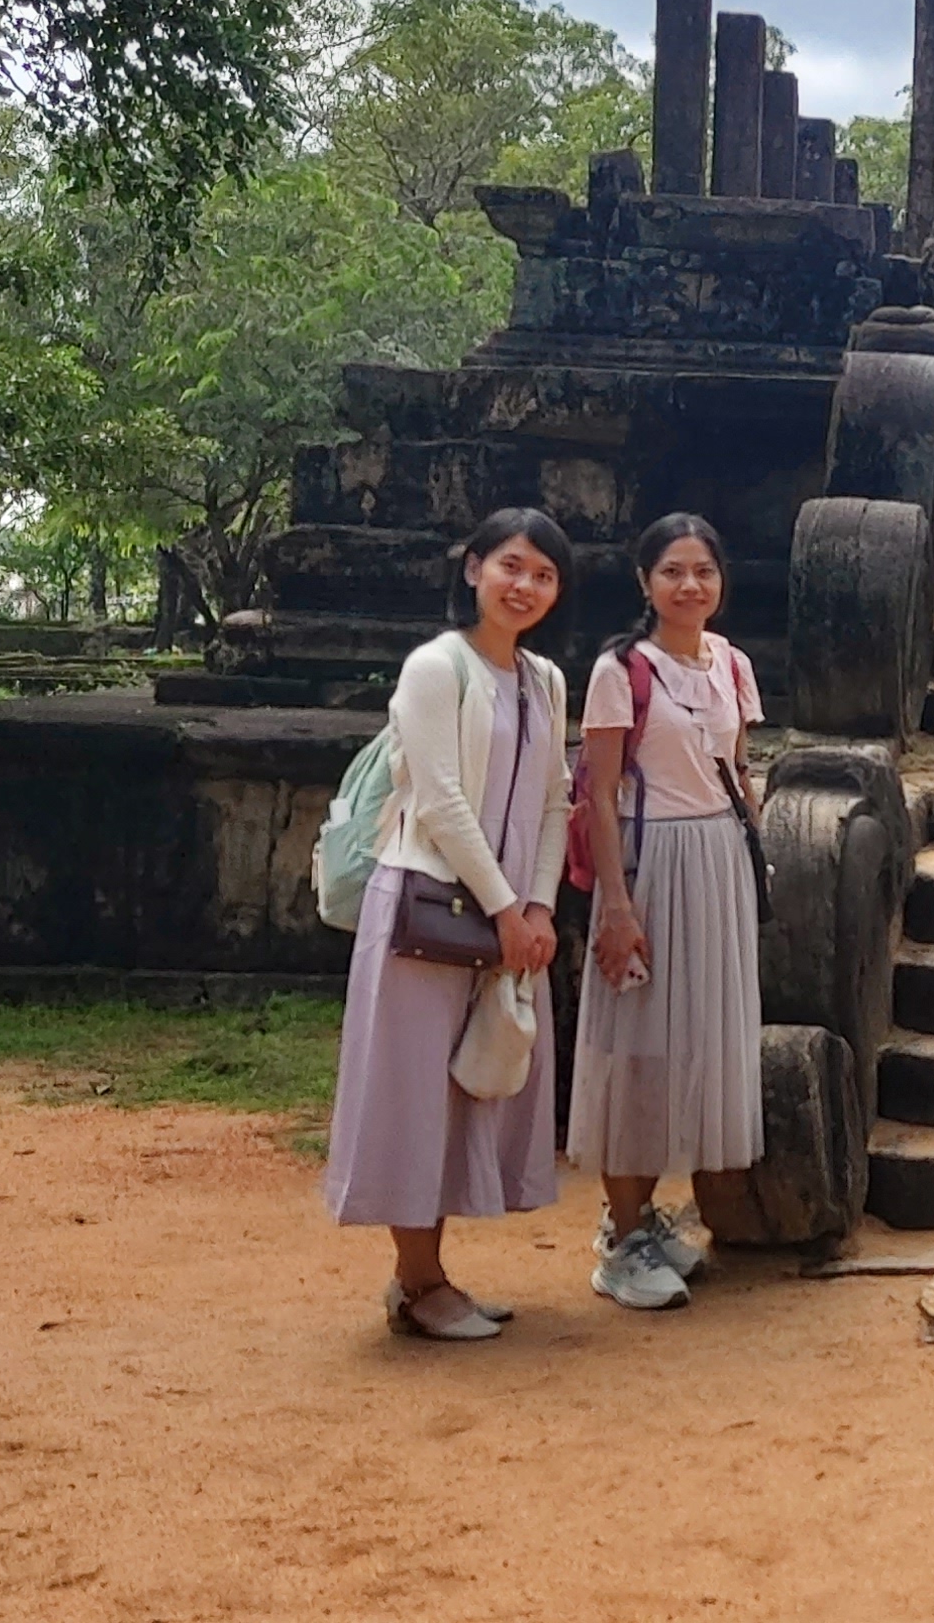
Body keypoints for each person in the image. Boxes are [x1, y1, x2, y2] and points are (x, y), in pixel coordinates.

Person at [322, 507, 573, 1342]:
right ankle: (419, 1280)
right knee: (414, 1090)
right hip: (427, 908)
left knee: (469, 1086)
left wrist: (538, 907)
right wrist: (506, 907)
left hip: (507, 919)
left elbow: (554, 801)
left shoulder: (544, 681)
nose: (524, 586)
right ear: (474, 569)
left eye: (543, 575)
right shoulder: (437, 666)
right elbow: (439, 799)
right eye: (511, 566)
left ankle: (428, 1277)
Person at [571, 513, 765, 1312]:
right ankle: (623, 1239)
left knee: (697, 1044)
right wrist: (617, 907)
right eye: (673, 571)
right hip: (650, 865)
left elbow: (740, 770)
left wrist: (755, 855)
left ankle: (644, 1218)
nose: (690, 586)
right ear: (644, 582)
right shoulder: (622, 671)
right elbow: (599, 796)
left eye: (704, 571)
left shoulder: (732, 664)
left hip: (719, 862)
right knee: (639, 1048)